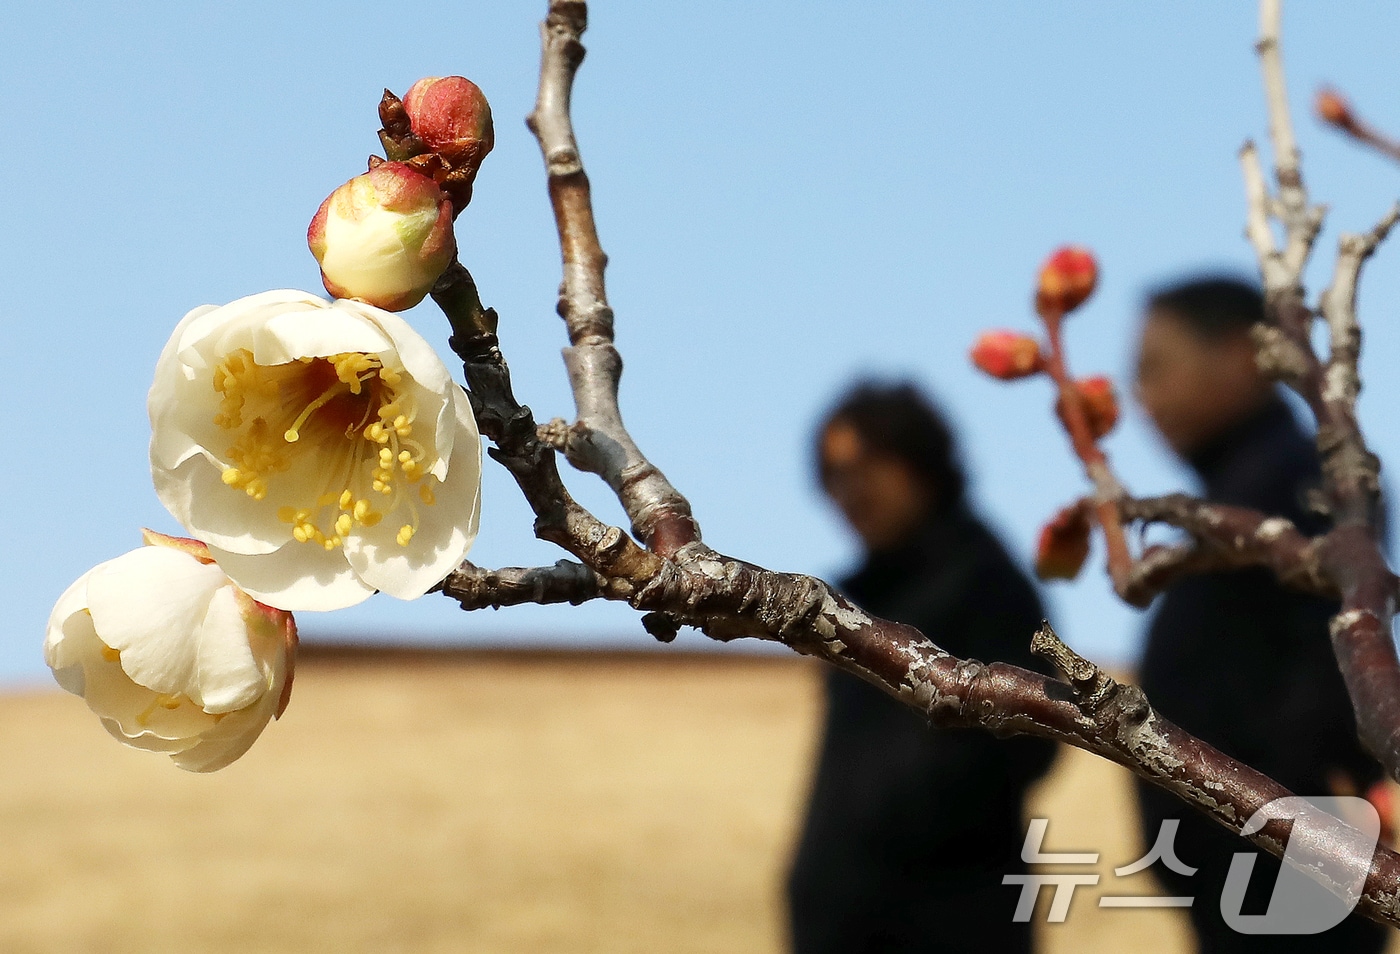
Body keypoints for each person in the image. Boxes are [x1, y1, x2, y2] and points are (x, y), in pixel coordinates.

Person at [1132, 276, 1386, 952]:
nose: (1141, 398)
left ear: (1243, 353)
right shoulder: (1235, 501)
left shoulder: (1291, 485)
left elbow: (1334, 661)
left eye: (1155, 367)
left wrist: (1299, 804)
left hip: (1289, 876)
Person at [787, 382, 1057, 954]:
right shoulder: (855, 608)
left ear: (920, 462)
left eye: (866, 466)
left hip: (953, 922)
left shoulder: (985, 583)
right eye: (832, 477)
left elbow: (1031, 740)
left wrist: (900, 818)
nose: (850, 491)